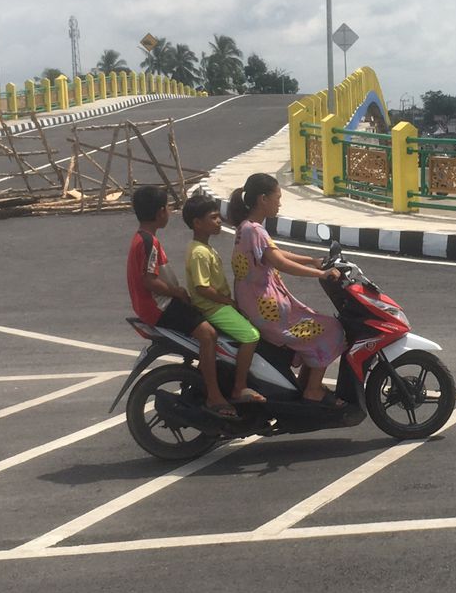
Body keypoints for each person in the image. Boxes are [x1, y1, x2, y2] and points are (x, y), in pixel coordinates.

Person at [226, 173, 346, 405]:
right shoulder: (255, 230)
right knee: (332, 328)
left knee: (315, 321)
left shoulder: (248, 227)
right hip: (267, 312)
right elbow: (280, 262)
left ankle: (304, 385)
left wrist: (311, 260)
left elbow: (276, 253)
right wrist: (320, 273)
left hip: (259, 305)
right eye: (277, 198)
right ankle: (312, 390)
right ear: (263, 199)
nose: (279, 203)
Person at [126, 184, 235, 419]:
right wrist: (176, 292)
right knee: (208, 335)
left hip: (158, 304)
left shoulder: (143, 238)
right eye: (167, 208)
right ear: (160, 213)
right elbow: (149, 280)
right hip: (159, 307)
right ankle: (214, 396)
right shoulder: (148, 242)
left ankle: (206, 379)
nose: (169, 213)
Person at [181, 191, 266, 407]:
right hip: (213, 308)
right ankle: (239, 387)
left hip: (218, 305)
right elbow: (202, 288)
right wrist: (229, 303)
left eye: (218, 216)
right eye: (213, 217)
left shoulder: (204, 247)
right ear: (197, 223)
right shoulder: (200, 252)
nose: (219, 221)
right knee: (251, 336)